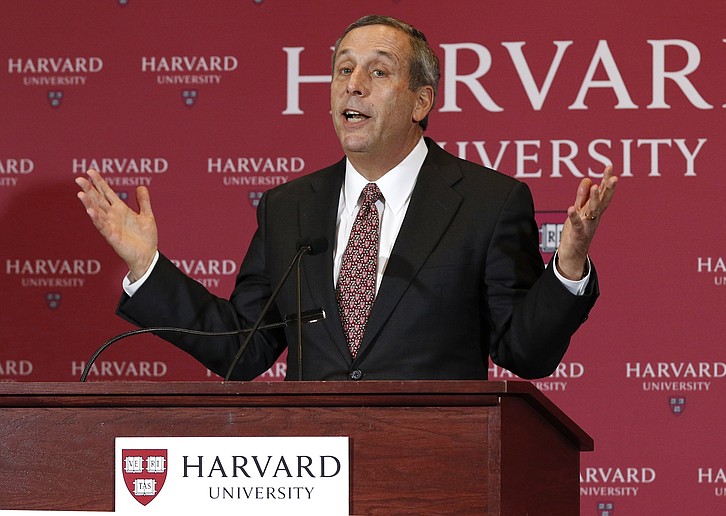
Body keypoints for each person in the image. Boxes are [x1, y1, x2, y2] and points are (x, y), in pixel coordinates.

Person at [76, 15, 617, 381]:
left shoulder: (486, 202)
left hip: (439, 472)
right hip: (314, 473)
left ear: (420, 100)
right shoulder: (290, 207)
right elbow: (245, 349)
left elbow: (524, 353)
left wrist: (567, 265)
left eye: (378, 71)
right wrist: (148, 266)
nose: (352, 85)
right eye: (342, 70)